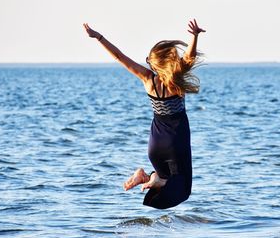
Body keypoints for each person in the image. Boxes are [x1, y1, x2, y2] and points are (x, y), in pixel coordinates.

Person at [83, 19, 205, 209]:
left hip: (155, 146)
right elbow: (189, 58)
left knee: (167, 182)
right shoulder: (176, 82)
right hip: (176, 143)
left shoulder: (147, 79)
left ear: (154, 64)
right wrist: (194, 37)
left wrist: (98, 37)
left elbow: (119, 56)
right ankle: (156, 179)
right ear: (170, 61)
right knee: (183, 189)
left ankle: (148, 177)